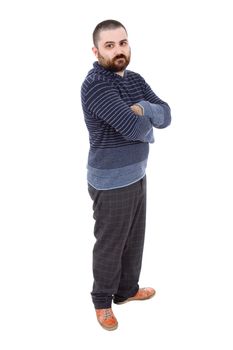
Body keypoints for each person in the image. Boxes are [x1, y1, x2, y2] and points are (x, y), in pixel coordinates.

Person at [81, 19, 171, 331]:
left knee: (134, 237)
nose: (118, 50)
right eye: (109, 45)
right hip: (110, 178)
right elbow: (134, 128)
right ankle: (102, 301)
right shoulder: (96, 86)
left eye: (123, 43)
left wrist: (143, 107)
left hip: (137, 172)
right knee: (111, 242)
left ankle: (126, 290)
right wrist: (147, 125)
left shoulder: (135, 80)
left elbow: (166, 114)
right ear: (96, 51)